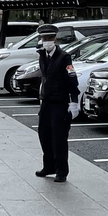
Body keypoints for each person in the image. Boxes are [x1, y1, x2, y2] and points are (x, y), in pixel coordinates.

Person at [35, 24, 79, 181]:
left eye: (49, 38)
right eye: (43, 38)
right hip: (46, 102)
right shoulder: (42, 55)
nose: (46, 41)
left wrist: (74, 102)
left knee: (58, 138)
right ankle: (49, 166)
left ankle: (62, 171)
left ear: (54, 39)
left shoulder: (64, 57)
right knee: (44, 135)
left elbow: (72, 79)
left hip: (60, 103)